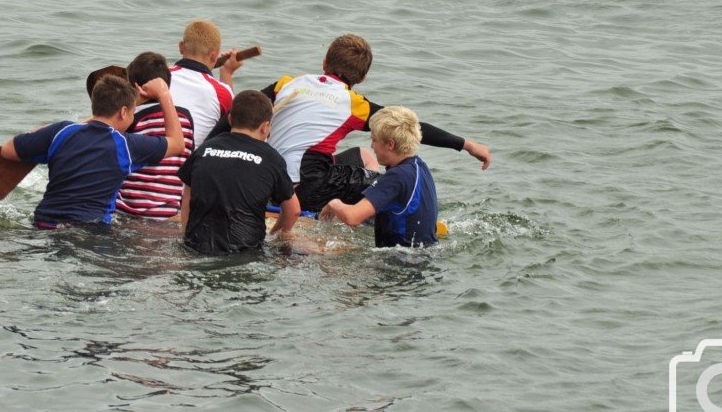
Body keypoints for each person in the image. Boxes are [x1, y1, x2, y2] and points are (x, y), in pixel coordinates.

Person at [211, 33, 491, 212]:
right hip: (304, 190)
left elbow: (235, 116)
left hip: (265, 180)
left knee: (364, 155)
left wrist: (205, 153)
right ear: (362, 78)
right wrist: (466, 144)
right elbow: (412, 128)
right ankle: (360, 212)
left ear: (324, 62)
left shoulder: (287, 83)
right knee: (385, 184)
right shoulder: (354, 104)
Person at [0, 75, 184, 229]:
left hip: (42, 223)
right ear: (123, 112)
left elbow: (7, 150)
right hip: (89, 230)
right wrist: (164, 94)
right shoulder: (126, 145)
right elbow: (177, 144)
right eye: (132, 112)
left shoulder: (62, 131)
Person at [178, 90, 299, 255]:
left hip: (197, 246)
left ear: (229, 119)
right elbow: (293, 211)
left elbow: (187, 198)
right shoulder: (271, 157)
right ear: (265, 127)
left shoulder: (205, 149)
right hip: (245, 251)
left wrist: (186, 236)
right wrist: (274, 235)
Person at [320, 106, 440, 247]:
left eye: (374, 140)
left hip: (399, 261)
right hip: (426, 251)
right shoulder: (419, 165)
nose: (372, 146)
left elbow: (351, 217)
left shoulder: (395, 177)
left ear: (390, 144)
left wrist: (333, 204)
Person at [115, 52, 195, 219]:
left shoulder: (131, 119)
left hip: (129, 212)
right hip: (169, 214)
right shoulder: (185, 119)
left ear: (135, 86)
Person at [168, 19, 244, 149]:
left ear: (181, 47)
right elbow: (228, 121)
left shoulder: (157, 76)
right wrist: (227, 72)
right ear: (214, 56)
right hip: (190, 166)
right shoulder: (221, 92)